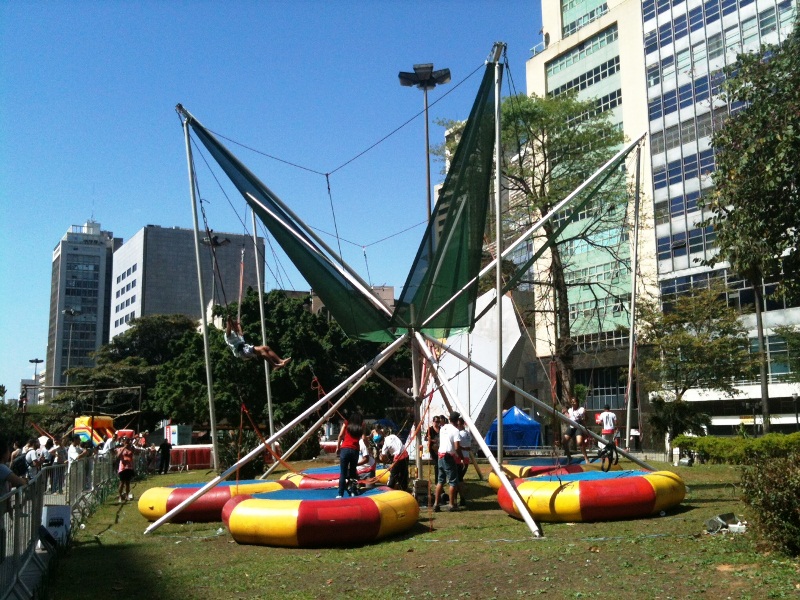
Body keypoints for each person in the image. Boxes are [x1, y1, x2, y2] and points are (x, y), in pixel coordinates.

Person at [224, 318, 290, 369]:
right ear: (232, 326)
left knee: (266, 348)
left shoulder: (237, 334)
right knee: (262, 350)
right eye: (235, 326)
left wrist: (238, 325)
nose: (237, 327)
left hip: (245, 348)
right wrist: (228, 321)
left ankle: (280, 360)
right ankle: (274, 365)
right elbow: (228, 330)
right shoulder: (228, 335)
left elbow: (241, 333)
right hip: (241, 351)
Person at [433, 412, 462, 512]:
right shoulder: (455, 431)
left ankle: (436, 504)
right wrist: (461, 457)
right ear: (457, 420)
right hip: (448, 457)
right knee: (453, 481)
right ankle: (451, 504)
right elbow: (457, 447)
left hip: (440, 455)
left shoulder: (443, 428)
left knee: (440, 480)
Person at [336, 412, 363, 498]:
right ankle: (353, 491)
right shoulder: (361, 426)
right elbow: (364, 437)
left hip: (345, 449)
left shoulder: (346, 423)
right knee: (352, 472)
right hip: (355, 450)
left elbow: (340, 435)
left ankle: (340, 493)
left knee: (343, 473)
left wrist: (338, 447)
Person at [563, 397, 590, 463]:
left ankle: (586, 458)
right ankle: (569, 457)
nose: (572, 403)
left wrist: (585, 414)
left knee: (579, 442)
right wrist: (565, 414)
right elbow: (568, 419)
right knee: (564, 441)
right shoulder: (569, 410)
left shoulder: (581, 409)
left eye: (574, 402)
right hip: (572, 426)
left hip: (578, 426)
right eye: (571, 402)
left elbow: (586, 419)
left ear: (577, 402)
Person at [115, 437, 139, 502]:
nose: (128, 443)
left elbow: (136, 452)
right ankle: (120, 495)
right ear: (124, 442)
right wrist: (124, 448)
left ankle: (127, 495)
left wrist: (133, 446)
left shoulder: (131, 449)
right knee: (122, 482)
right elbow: (118, 456)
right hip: (122, 468)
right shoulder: (120, 449)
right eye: (126, 442)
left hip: (129, 467)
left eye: (129, 442)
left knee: (128, 483)